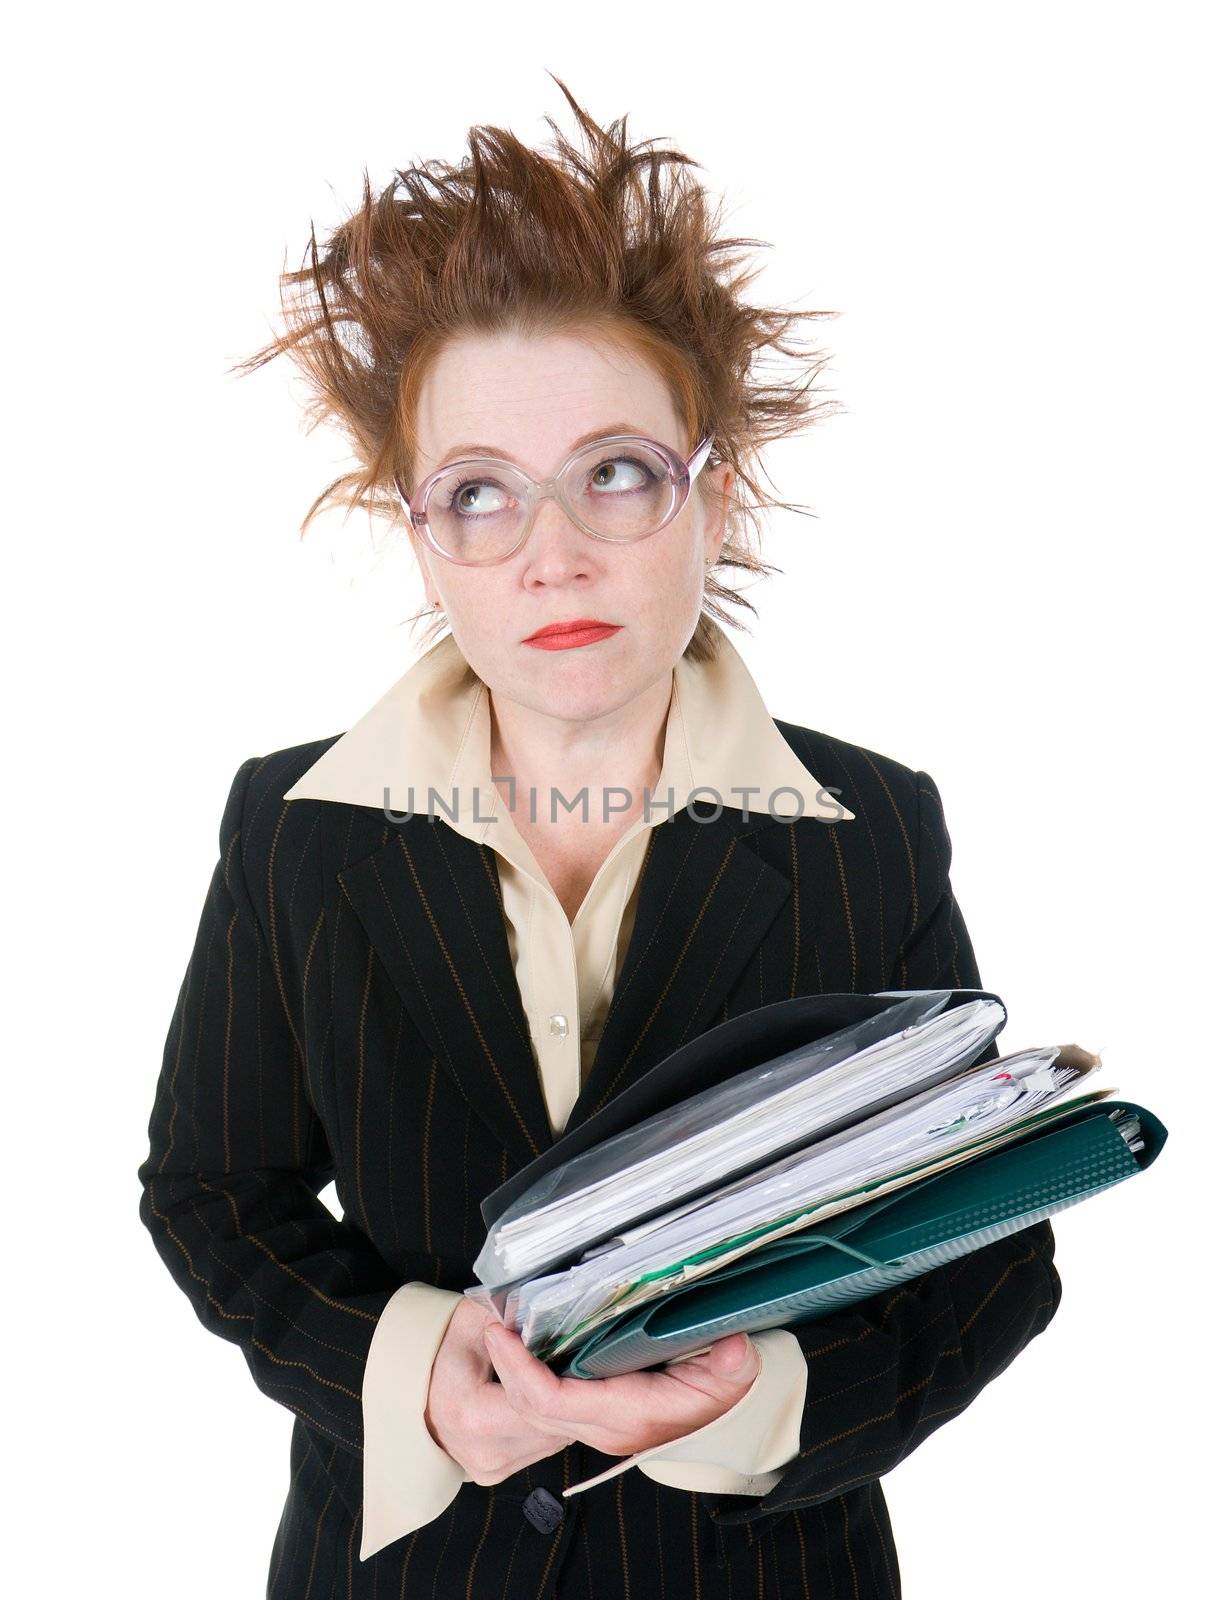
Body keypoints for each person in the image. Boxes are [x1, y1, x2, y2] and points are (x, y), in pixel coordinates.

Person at [136, 77, 1062, 1600]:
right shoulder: (295, 832)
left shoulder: (871, 828)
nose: (552, 552)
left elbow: (990, 1246)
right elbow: (212, 1198)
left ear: (717, 492)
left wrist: (765, 1407)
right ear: (423, 534)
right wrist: (412, 1371)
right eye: (481, 494)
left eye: (616, 472)